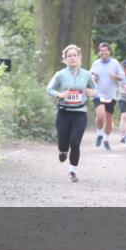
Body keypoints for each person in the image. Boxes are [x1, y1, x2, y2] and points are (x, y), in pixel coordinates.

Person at [46, 44, 96, 182]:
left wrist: (92, 92)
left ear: (79, 57)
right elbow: (49, 89)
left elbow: (95, 89)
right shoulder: (60, 75)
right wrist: (61, 95)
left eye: (75, 55)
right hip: (64, 112)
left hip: (80, 113)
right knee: (63, 142)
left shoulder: (87, 75)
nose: (72, 58)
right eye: (69, 56)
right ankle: (63, 151)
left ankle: (72, 172)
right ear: (65, 59)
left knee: (75, 142)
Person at [89, 42, 124, 151]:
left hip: (111, 95)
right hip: (98, 94)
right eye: (101, 50)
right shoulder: (96, 63)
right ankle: (99, 134)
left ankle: (106, 139)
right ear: (99, 52)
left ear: (109, 52)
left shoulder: (115, 63)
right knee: (100, 115)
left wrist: (115, 76)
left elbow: (122, 77)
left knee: (109, 120)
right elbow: (90, 75)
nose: (103, 52)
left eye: (105, 50)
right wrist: (94, 77)